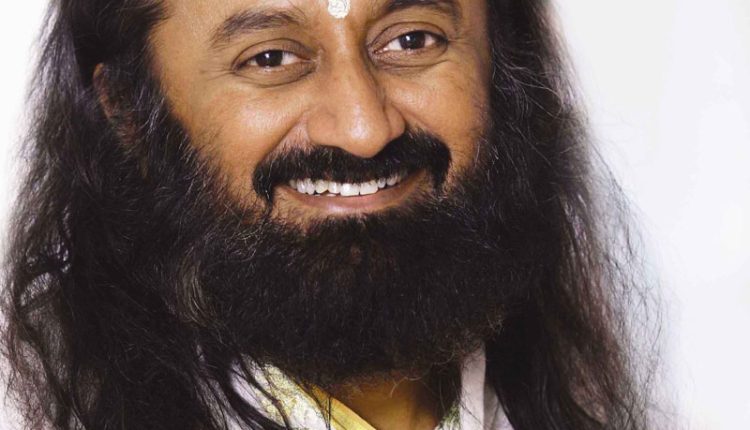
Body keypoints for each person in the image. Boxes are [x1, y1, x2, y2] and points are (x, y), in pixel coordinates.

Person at [1, 0, 659, 429]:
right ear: (128, 112)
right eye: (270, 58)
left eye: (413, 40)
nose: (364, 129)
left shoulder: (564, 389)